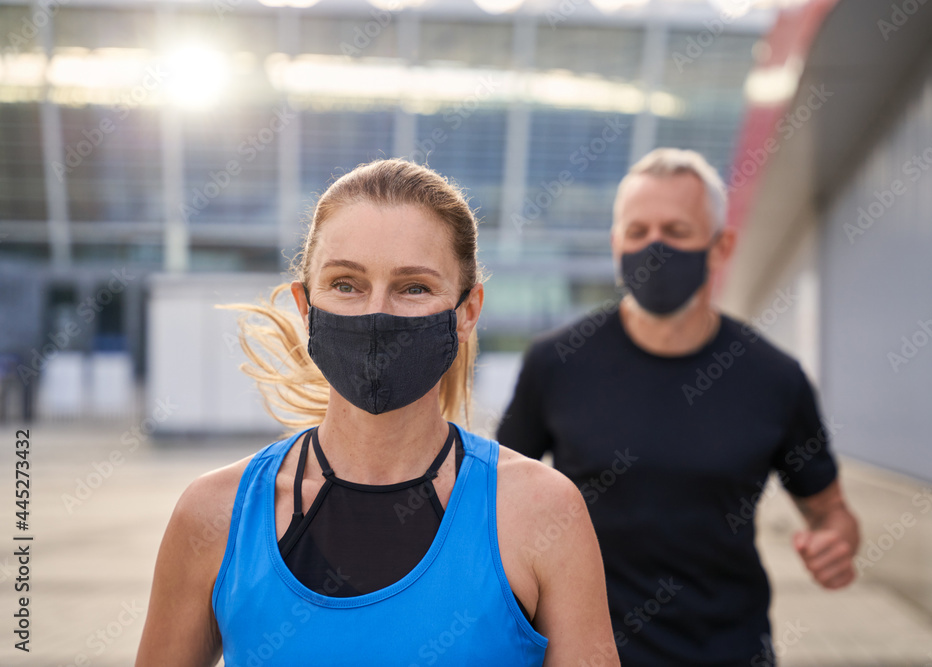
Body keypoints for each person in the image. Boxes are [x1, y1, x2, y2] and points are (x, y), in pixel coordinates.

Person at [136, 159, 619, 667]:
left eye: (414, 287)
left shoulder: (544, 513)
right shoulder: (213, 514)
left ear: (467, 311)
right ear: (305, 306)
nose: (376, 313)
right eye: (346, 284)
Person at [497, 148, 860, 666]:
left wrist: (834, 544)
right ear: (616, 242)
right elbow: (498, 502)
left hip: (731, 652)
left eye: (676, 230)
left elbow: (830, 512)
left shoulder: (773, 377)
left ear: (721, 245)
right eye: (638, 232)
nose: (655, 248)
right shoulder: (556, 363)